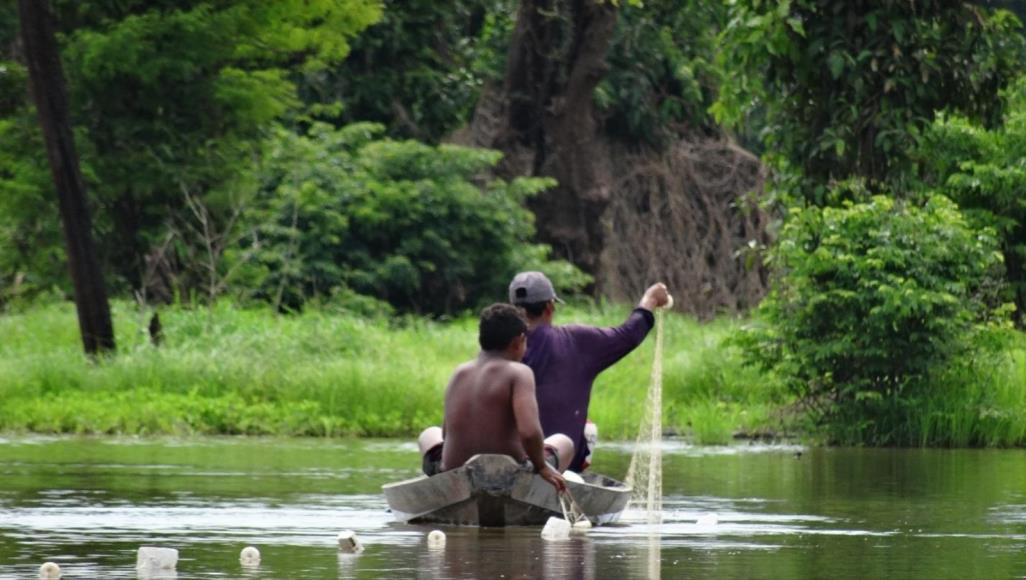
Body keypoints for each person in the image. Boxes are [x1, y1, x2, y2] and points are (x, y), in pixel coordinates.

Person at [509, 271, 670, 472]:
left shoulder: (498, 349)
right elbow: (628, 334)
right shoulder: (574, 341)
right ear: (550, 307)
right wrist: (650, 299)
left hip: (509, 458)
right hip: (556, 462)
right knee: (588, 430)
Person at [417, 303, 572, 491]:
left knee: (428, 434)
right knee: (564, 442)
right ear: (518, 341)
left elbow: (445, 434)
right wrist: (541, 467)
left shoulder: (459, 372)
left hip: (453, 471)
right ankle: (539, 490)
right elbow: (529, 433)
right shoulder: (519, 373)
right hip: (509, 474)